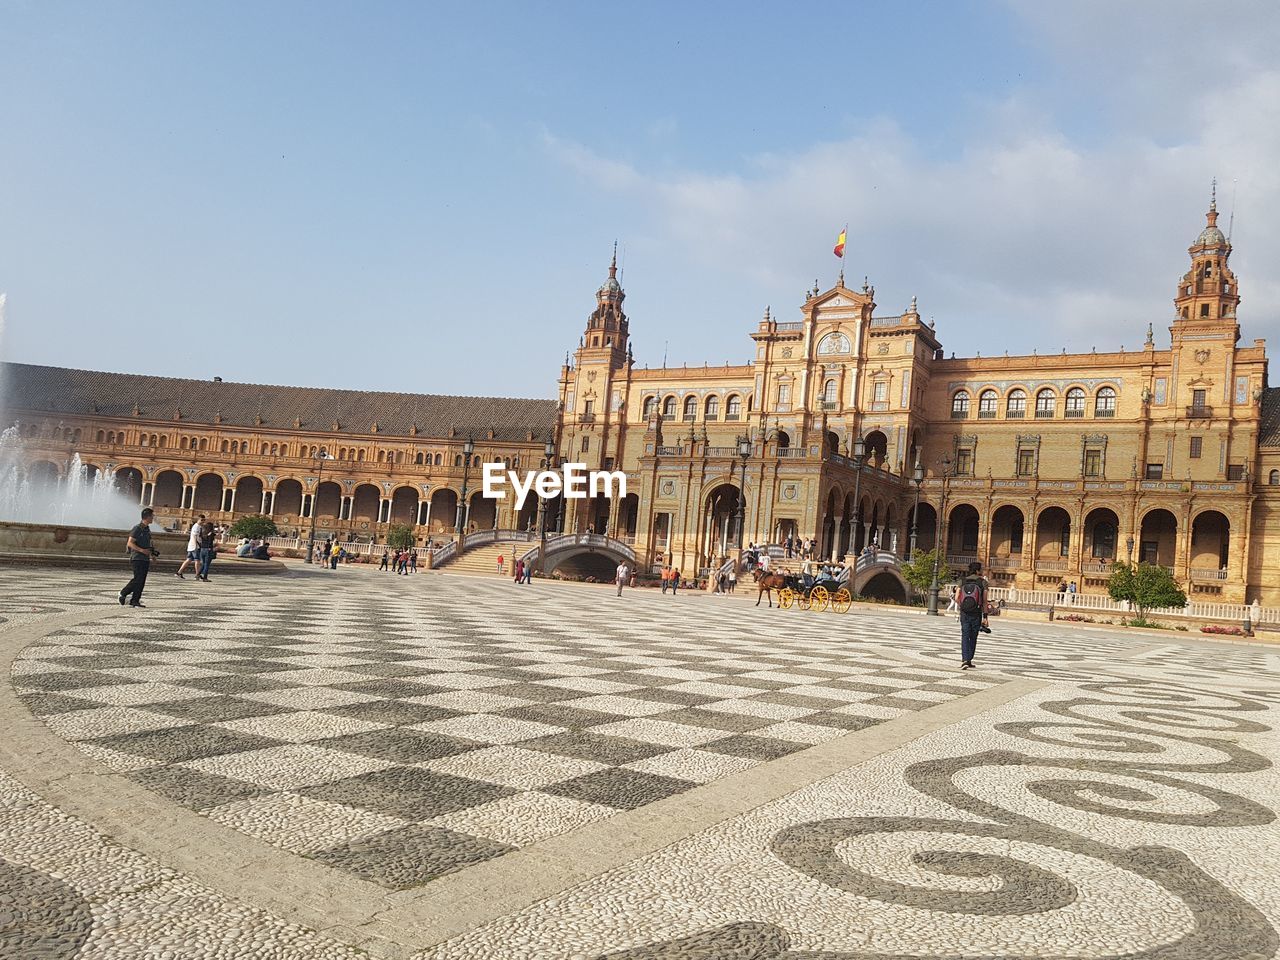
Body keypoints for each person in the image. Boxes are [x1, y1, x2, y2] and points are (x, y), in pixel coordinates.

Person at [953, 561, 989, 670]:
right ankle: (969, 659)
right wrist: (985, 617)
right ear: (978, 570)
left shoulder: (962, 581)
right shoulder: (982, 582)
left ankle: (964, 659)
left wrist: (962, 606)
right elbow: (984, 600)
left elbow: (956, 597)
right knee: (973, 636)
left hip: (964, 613)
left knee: (965, 635)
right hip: (976, 613)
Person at [120, 507, 158, 607]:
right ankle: (126, 594)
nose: (153, 518)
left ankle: (134, 599)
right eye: (152, 516)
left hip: (145, 558)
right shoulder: (137, 528)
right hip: (137, 557)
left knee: (141, 580)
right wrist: (141, 550)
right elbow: (130, 543)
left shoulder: (147, 529)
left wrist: (152, 555)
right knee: (138, 579)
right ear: (147, 517)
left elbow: (149, 543)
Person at [176, 515, 204, 579]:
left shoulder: (198, 526)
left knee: (189, 559)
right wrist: (197, 545)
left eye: (203, 520)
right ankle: (197, 574)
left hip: (192, 546)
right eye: (201, 520)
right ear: (198, 520)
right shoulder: (196, 527)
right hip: (195, 546)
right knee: (197, 560)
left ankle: (179, 572)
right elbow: (194, 536)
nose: (203, 521)